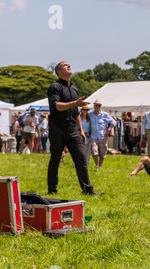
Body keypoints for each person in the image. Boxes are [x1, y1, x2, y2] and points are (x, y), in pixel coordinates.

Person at [47, 61, 99, 195]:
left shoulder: (74, 89)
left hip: (72, 129)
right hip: (57, 127)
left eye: (69, 65)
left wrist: (81, 130)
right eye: (65, 65)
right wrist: (75, 103)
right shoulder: (55, 87)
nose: (69, 66)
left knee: (81, 159)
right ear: (59, 72)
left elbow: (76, 112)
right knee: (55, 159)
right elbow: (57, 106)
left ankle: (88, 190)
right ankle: (52, 190)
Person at [88, 99, 116, 169]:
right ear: (93, 106)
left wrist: (109, 129)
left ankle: (100, 166)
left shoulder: (105, 115)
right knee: (94, 152)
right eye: (96, 105)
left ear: (101, 106)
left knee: (102, 154)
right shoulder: (90, 114)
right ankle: (97, 164)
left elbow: (113, 122)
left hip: (103, 136)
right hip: (93, 136)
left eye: (99, 105)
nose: (97, 107)